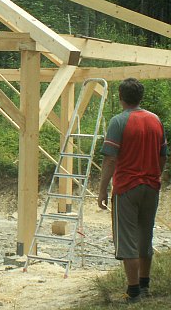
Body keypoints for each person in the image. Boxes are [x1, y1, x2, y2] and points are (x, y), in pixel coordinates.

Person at [97, 78, 167, 303]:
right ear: (140, 97)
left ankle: (133, 291)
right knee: (145, 237)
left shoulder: (119, 121)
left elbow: (110, 159)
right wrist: (155, 175)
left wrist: (102, 190)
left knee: (127, 240)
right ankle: (145, 286)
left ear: (121, 96)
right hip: (151, 187)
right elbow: (163, 155)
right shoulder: (155, 120)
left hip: (127, 187)